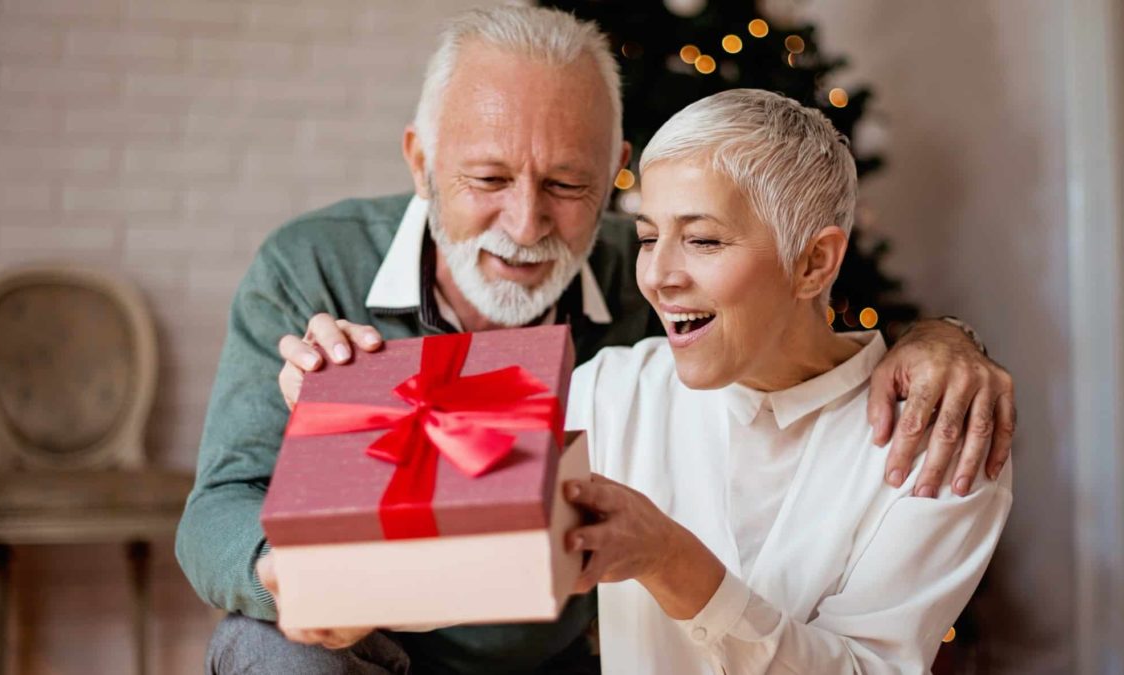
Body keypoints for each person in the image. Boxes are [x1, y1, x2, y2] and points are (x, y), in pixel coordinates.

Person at [177, 6, 1015, 674]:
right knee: (267, 649)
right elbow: (456, 473)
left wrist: (944, 338)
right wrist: (347, 411)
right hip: (383, 651)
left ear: (609, 174)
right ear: (421, 162)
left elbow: (798, 315)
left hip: (557, 651)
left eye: (568, 185)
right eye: (488, 178)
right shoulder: (616, 377)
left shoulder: (638, 285)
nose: (527, 221)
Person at [560, 89, 1012, 674]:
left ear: (813, 263)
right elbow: (447, 551)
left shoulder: (940, 437)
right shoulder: (612, 393)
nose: (659, 276)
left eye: (702, 239)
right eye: (649, 237)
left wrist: (670, 560)